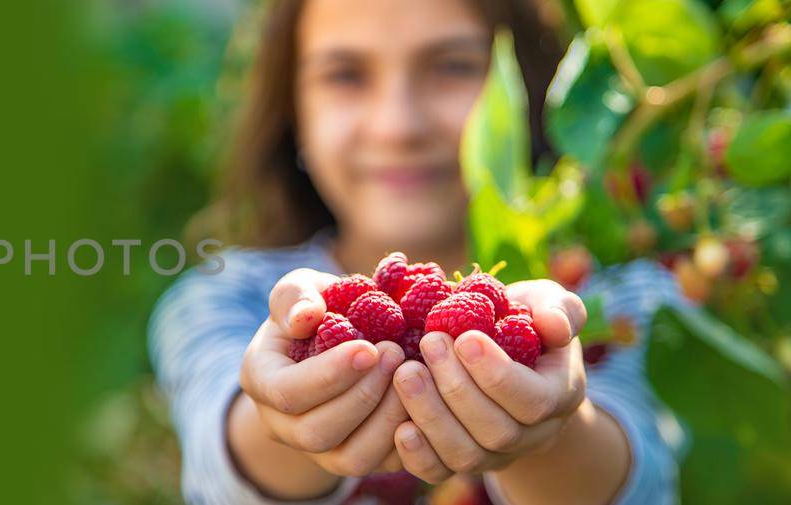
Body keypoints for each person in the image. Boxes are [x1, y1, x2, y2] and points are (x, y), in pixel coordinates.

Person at [148, 0, 682, 503]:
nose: (397, 125)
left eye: (451, 66)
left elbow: (642, 476)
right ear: (293, 111)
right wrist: (280, 417)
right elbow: (220, 462)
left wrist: (549, 431)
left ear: (529, 86)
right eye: (345, 74)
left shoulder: (612, 295)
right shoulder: (222, 299)